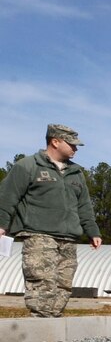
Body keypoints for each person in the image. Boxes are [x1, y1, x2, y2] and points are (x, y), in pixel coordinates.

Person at [0, 124, 102, 318]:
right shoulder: (28, 166)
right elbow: (7, 197)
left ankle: (52, 325)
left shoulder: (76, 173)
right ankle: (39, 326)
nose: (75, 149)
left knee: (63, 284)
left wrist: (93, 231)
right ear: (55, 141)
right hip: (39, 233)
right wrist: (2, 225)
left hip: (69, 237)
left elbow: (84, 205)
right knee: (42, 280)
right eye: (71, 144)